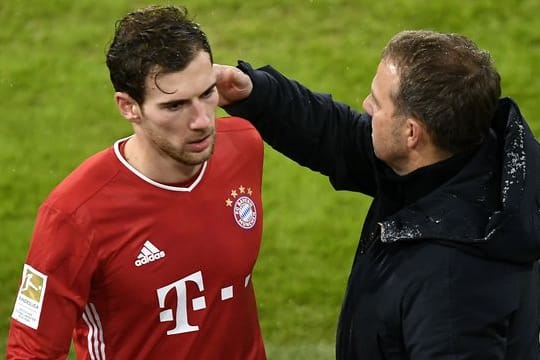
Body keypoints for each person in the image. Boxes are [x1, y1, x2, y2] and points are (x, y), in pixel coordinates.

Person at [215, 30, 540, 359]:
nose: (365, 106)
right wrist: (254, 93)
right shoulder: (459, 159)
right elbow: (338, 136)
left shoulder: (453, 288)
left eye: (377, 102)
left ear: (412, 132)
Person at [7, 5, 267, 359]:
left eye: (207, 94)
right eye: (175, 107)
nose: (202, 121)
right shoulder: (73, 215)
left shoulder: (244, 146)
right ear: (128, 107)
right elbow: (31, 351)